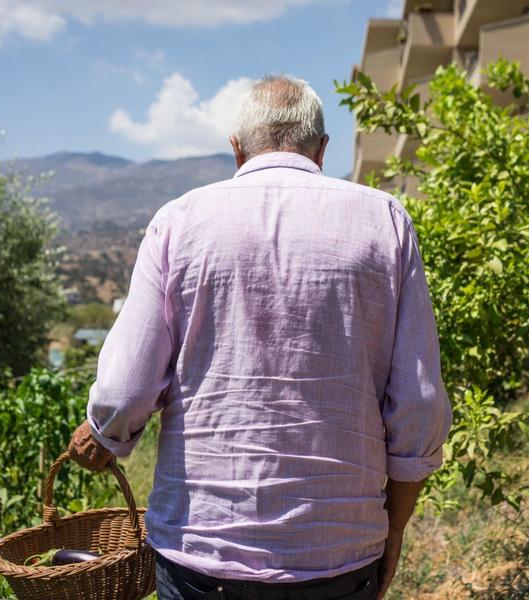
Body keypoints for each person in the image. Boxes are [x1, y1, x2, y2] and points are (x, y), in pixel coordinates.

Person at [68, 74, 452, 600]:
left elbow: (124, 392)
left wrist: (107, 435)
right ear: (322, 150)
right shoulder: (385, 220)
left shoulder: (178, 223)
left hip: (199, 556)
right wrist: (395, 527)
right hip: (338, 558)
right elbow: (420, 408)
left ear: (236, 149)